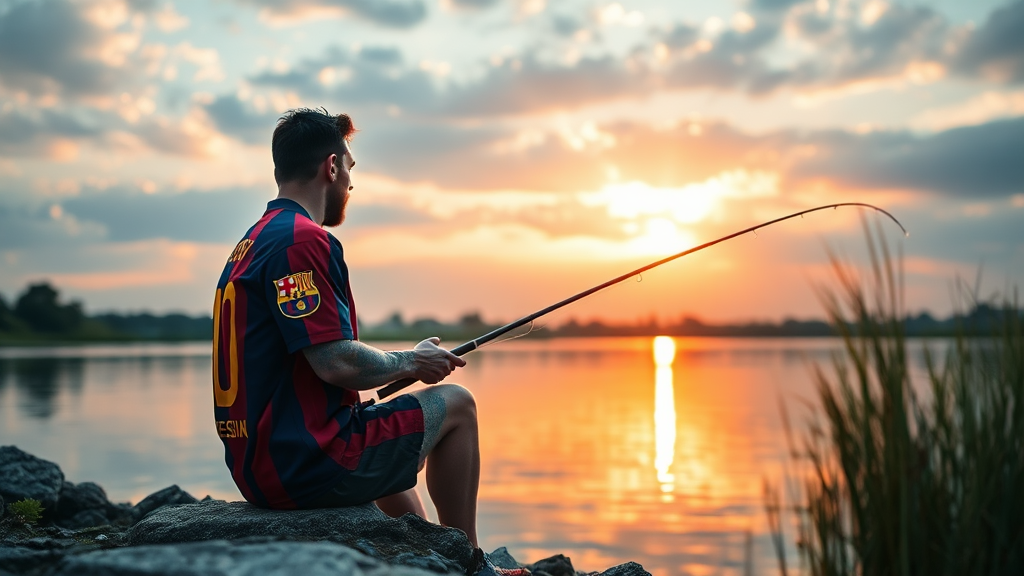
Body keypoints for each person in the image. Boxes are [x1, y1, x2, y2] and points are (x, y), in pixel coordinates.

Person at [211, 108, 480, 546]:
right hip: (307, 466)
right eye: (350, 168)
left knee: (381, 435)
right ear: (331, 167)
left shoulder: (254, 240)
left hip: (259, 467)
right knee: (458, 405)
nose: (351, 184)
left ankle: (434, 551)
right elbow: (335, 362)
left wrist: (400, 367)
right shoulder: (302, 239)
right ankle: (472, 561)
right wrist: (413, 360)